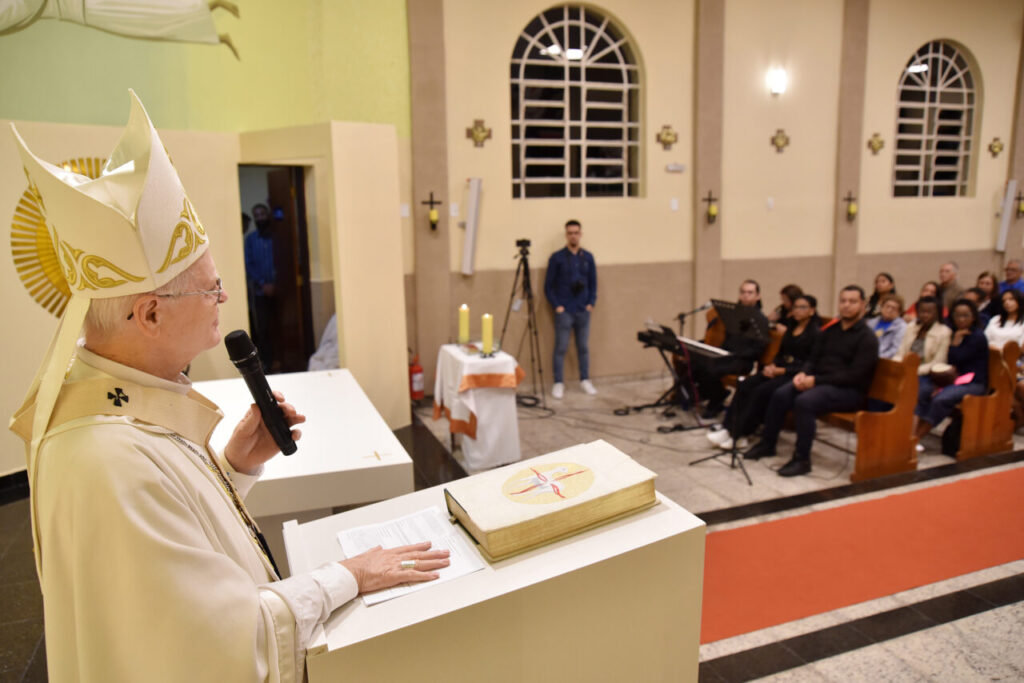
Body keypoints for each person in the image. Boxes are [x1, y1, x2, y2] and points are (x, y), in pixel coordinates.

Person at [8, 92, 450, 682]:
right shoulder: (103, 458)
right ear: (150, 314)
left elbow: (175, 546)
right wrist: (352, 574)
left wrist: (233, 465)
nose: (222, 301)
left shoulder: (123, 401)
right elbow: (220, 643)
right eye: (210, 289)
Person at [743, 285, 878, 477]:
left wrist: (815, 380)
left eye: (853, 301)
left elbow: (855, 376)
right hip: (822, 382)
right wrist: (803, 374)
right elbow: (813, 359)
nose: (847, 305)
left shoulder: (867, 338)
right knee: (781, 393)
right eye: (843, 301)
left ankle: (802, 459)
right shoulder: (831, 330)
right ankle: (768, 443)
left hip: (849, 391)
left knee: (805, 401)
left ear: (863, 305)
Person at [707, 294, 820, 450]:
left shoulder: (815, 334)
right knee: (746, 385)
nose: (797, 311)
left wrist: (782, 370)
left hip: (794, 375)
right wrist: (771, 366)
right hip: (778, 370)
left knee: (761, 391)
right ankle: (728, 428)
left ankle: (743, 434)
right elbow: (780, 353)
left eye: (803, 307)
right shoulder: (791, 328)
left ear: (812, 311)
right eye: (795, 307)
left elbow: (810, 363)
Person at [914, 299, 989, 448]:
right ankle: (910, 432)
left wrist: (955, 343)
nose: (961, 319)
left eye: (965, 316)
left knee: (941, 399)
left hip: (974, 382)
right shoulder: (953, 332)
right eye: (957, 315)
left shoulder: (977, 336)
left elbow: (958, 359)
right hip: (952, 378)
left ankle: (916, 438)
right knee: (923, 391)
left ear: (973, 317)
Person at [690, 280, 770, 418]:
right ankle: (717, 394)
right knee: (697, 363)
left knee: (713, 369)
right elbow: (728, 338)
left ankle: (716, 400)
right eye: (743, 292)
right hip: (728, 355)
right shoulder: (734, 315)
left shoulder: (761, 319)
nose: (745, 296)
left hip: (743, 360)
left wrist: (735, 354)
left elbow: (758, 350)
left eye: (750, 293)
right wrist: (720, 352)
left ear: (757, 296)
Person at [545, 219, 598, 398]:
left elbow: (593, 283)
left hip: (583, 309)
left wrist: (591, 303)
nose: (573, 236)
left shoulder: (588, 257)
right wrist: (557, 306)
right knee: (561, 347)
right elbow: (548, 286)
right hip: (565, 310)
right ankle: (558, 382)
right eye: (570, 233)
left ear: (580, 234)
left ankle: (585, 379)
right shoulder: (557, 257)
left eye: (576, 232)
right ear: (566, 235)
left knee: (583, 347)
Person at [244, 202, 277, 370]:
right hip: (260, 292)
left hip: (280, 292)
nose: (259, 218)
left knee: (280, 327)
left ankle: (282, 362)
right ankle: (267, 364)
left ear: (268, 215)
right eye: (256, 216)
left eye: (262, 214)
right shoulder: (250, 240)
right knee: (262, 330)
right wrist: (264, 285)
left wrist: (276, 284)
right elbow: (248, 265)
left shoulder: (278, 237)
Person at [894, 296, 951, 377]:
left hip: (927, 374)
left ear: (937, 313)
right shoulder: (911, 327)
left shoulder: (944, 332)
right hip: (904, 369)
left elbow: (938, 362)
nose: (925, 315)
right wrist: (898, 366)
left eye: (929, 312)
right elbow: (900, 352)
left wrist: (914, 371)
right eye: (922, 311)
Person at [867, 293, 908, 359]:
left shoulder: (902, 327)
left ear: (899, 312)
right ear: (882, 307)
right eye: (887, 306)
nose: (889, 310)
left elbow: (896, 349)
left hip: (883, 360)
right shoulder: (872, 322)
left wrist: (878, 357)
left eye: (893, 308)